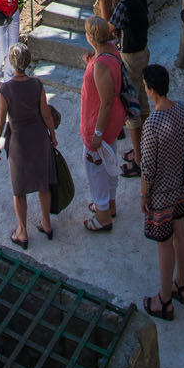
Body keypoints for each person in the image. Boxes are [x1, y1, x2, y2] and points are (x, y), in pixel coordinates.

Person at [139, 63, 184, 321]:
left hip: (161, 192)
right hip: (182, 185)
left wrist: (143, 195)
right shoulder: (182, 111)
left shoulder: (152, 124)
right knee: (181, 233)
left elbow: (148, 169)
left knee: (164, 244)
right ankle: (181, 284)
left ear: (151, 90)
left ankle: (164, 299)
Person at [0, 43, 58, 246]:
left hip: (18, 141)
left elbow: (1, 120)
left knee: (19, 189)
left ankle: (22, 231)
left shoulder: (6, 89)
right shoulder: (37, 85)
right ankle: (46, 222)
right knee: (43, 183)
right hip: (39, 137)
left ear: (12, 63)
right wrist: (52, 134)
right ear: (28, 62)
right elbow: (46, 113)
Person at [80, 16, 125, 232]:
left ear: (91, 37)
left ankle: (103, 215)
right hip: (113, 122)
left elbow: (106, 101)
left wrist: (97, 132)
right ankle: (110, 204)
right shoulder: (110, 51)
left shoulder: (100, 65)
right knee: (110, 161)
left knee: (95, 167)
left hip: (99, 123)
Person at [109, 0, 150, 178]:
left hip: (131, 57)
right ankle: (143, 149)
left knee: (132, 108)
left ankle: (139, 159)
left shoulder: (123, 3)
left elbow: (110, 28)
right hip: (143, 52)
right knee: (142, 101)